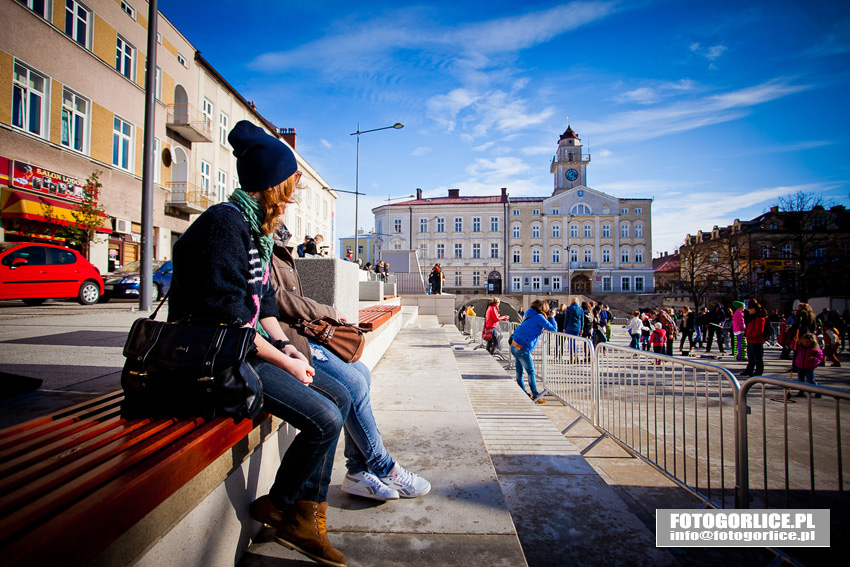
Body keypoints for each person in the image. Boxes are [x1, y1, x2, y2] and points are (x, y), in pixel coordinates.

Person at [170, 120, 350, 566]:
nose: (292, 197)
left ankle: (302, 513)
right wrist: (286, 363)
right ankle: (284, 506)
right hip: (214, 360)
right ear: (272, 186)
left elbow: (263, 303)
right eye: (289, 188)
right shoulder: (223, 227)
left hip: (244, 349)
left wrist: (284, 345)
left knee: (342, 395)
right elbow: (229, 322)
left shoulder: (256, 230)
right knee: (325, 418)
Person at [269, 225, 430, 505]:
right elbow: (275, 298)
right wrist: (327, 311)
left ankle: (357, 470)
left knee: (362, 374)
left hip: (299, 333)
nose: (285, 209)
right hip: (284, 341)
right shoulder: (258, 245)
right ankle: (383, 466)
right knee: (352, 384)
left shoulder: (276, 244)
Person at [510, 299, 557, 403]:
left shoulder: (529, 314)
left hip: (514, 345)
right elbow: (553, 329)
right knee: (531, 372)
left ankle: (523, 393)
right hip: (523, 348)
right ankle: (535, 395)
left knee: (519, 372)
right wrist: (552, 317)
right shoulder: (539, 317)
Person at [788, 333, 824, 399]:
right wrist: (794, 341)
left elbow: (820, 358)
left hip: (809, 367)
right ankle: (802, 390)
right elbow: (792, 347)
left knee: (810, 380)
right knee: (800, 380)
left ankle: (817, 390)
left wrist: (813, 358)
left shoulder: (814, 349)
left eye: (808, 342)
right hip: (799, 366)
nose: (806, 343)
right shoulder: (800, 347)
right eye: (804, 341)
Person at [741, 299, 767, 377]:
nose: (749, 310)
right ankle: (750, 369)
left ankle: (758, 371)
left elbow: (758, 330)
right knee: (751, 357)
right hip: (751, 340)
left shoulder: (759, 318)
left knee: (758, 357)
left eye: (750, 309)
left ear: (754, 309)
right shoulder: (752, 317)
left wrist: (750, 335)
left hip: (756, 340)